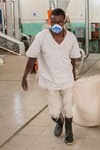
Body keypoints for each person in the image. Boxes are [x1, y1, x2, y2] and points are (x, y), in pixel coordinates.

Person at [21, 8, 81, 145]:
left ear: (64, 22)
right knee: (54, 110)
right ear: (50, 21)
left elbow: (73, 58)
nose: (56, 25)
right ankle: (59, 121)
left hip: (66, 78)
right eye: (52, 21)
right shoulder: (41, 36)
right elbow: (31, 56)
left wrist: (73, 76)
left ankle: (69, 131)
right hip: (49, 79)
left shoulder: (71, 37)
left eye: (59, 22)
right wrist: (24, 76)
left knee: (68, 106)